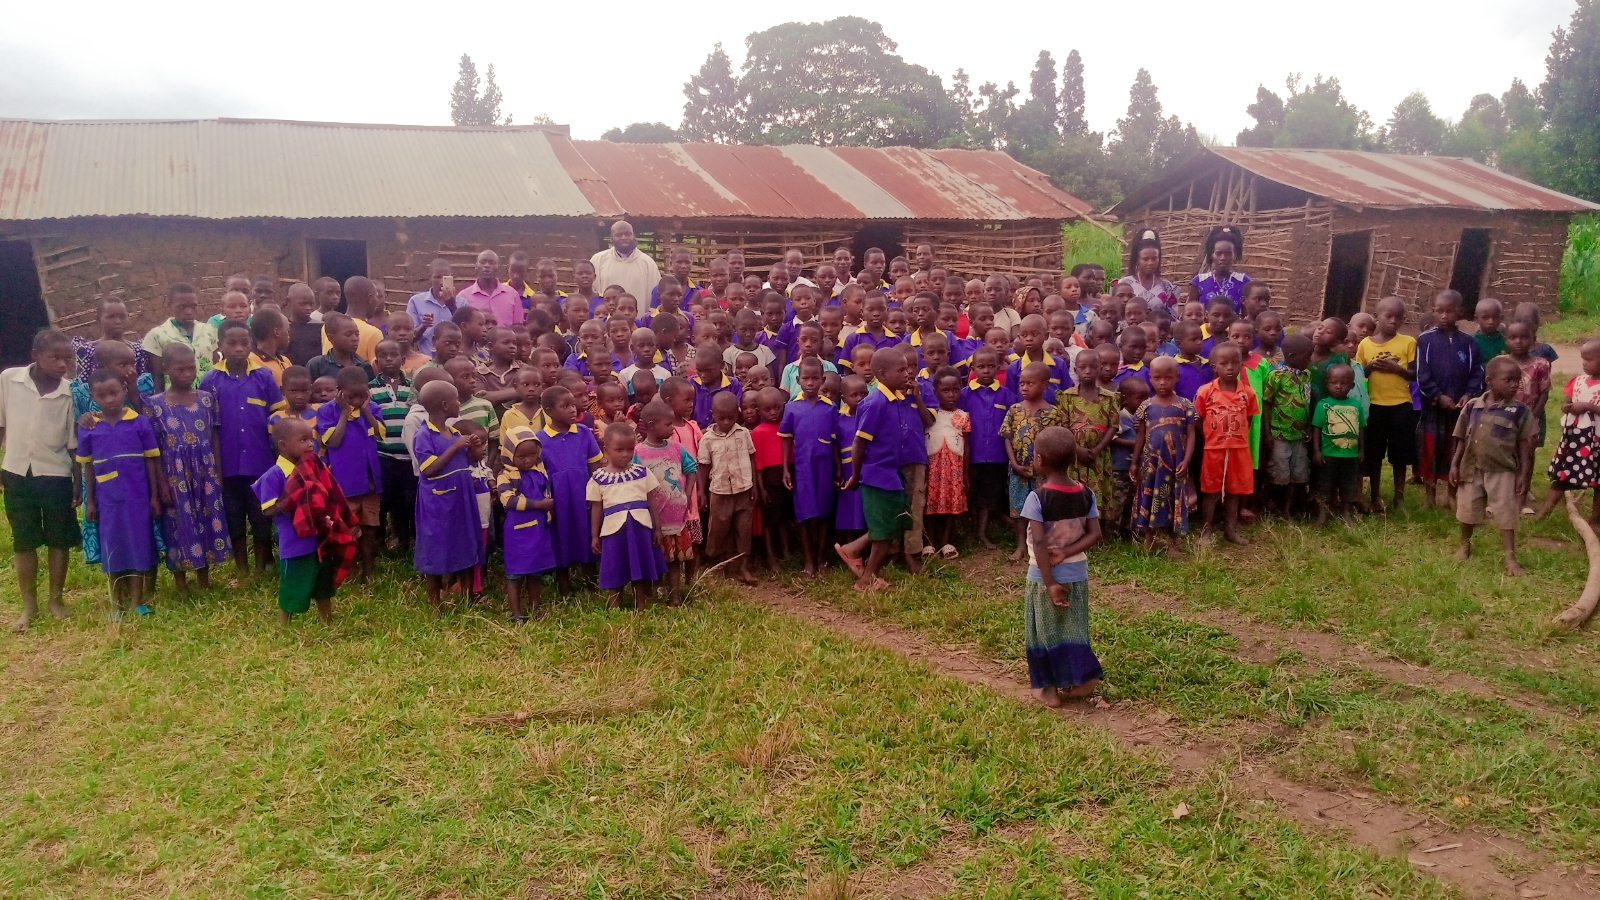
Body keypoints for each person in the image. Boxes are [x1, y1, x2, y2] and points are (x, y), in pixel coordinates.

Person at [1020, 426, 1104, 707]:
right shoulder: (1086, 493)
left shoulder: (1037, 498)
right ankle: (1082, 679)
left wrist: (1050, 584)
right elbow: (1095, 534)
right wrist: (1067, 552)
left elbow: (1039, 543)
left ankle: (1048, 689)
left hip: (1043, 577)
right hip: (1077, 573)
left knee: (1042, 631)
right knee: (1074, 628)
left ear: (1039, 460)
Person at [74, 368, 161, 615]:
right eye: (102, 395)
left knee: (138, 545)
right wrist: (91, 502)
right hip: (107, 500)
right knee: (112, 547)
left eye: (114, 393)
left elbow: (151, 461)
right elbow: (88, 466)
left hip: (138, 497)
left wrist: (154, 496)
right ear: (92, 396)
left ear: (124, 390)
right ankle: (116, 604)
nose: (109, 399)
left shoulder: (139, 422)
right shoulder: (90, 426)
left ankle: (137, 601)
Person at [201, 319, 284, 575]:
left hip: (260, 462)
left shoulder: (264, 377)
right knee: (234, 517)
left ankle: (261, 567)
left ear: (252, 344)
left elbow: (277, 417)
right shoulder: (210, 380)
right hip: (227, 464)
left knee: (261, 516)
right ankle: (242, 569)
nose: (238, 348)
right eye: (232, 343)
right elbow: (207, 426)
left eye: (244, 342)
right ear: (220, 345)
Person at [836, 347, 924, 589]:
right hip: (877, 474)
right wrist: (856, 475)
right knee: (885, 531)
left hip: (891, 473)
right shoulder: (875, 403)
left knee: (896, 521)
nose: (907, 373)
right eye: (901, 370)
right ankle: (866, 580)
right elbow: (859, 442)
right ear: (883, 374)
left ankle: (852, 549)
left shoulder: (896, 399)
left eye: (908, 368)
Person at [147, 344, 230, 598]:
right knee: (177, 523)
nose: (187, 374)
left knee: (205, 519)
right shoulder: (155, 405)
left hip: (205, 471)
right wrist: (162, 484)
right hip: (174, 474)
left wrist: (217, 472)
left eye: (191, 368)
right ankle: (181, 582)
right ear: (165, 369)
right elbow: (154, 449)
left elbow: (214, 436)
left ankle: (204, 579)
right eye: (180, 369)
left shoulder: (206, 399)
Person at [254, 417, 356, 625]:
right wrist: (295, 495)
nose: (310, 444)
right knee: (292, 585)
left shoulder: (315, 469)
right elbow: (268, 509)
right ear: (283, 445)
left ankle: (327, 621)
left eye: (311, 439)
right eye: (303, 440)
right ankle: (284, 626)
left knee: (323, 585)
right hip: (295, 544)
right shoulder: (275, 475)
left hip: (320, 539)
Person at [1451, 356, 1538, 576]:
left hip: (1502, 470)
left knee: (1506, 512)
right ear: (1489, 381)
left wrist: (1523, 473)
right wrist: (1454, 465)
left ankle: (1510, 556)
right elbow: (1460, 438)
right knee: (1467, 510)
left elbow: (1524, 445)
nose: (1514, 385)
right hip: (1471, 468)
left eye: (1517, 381)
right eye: (1508, 380)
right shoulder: (1472, 406)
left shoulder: (1519, 411)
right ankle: (1464, 545)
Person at [410, 381, 483, 612]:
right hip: (438, 502)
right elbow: (429, 469)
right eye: (456, 400)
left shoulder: (454, 433)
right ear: (444, 405)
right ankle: (434, 602)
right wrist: (455, 447)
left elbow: (469, 460)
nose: (459, 403)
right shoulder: (424, 435)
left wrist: (473, 447)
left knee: (465, 543)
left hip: (462, 498)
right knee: (436, 546)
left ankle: (468, 598)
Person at [1416, 290, 1484, 509]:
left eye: (1450, 311)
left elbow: (1477, 373)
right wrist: (1438, 396)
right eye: (1439, 311)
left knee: (1455, 450)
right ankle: (1429, 496)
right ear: (1433, 311)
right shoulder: (1425, 340)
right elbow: (1421, 374)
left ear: (1460, 312)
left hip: (1460, 410)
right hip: (1434, 407)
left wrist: (1468, 395)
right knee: (1431, 449)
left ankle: (1451, 496)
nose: (1444, 316)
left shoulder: (1469, 343)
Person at [587, 423, 666, 609]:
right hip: (614, 532)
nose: (625, 454)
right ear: (606, 450)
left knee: (640, 567)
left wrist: (658, 528)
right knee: (615, 567)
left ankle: (641, 603)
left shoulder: (641, 472)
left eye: (630, 449)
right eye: (619, 450)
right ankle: (615, 606)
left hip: (640, 529)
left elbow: (651, 501)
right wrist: (594, 536)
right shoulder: (598, 478)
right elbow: (596, 508)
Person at [316, 368, 383, 583]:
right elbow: (333, 442)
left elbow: (381, 435)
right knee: (347, 528)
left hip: (370, 482)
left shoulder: (372, 408)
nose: (356, 401)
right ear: (340, 392)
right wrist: (345, 413)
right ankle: (350, 570)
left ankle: (369, 570)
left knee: (370, 528)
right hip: (344, 484)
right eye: (350, 396)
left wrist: (366, 411)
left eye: (361, 395)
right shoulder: (327, 411)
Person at [1355, 297, 1418, 512]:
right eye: (1388, 316)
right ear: (1377, 317)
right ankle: (1375, 496)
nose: (1393, 321)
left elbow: (1414, 374)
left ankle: (1399, 497)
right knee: (1374, 454)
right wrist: (1370, 367)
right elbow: (1358, 373)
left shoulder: (1408, 342)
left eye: (1398, 317)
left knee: (1400, 455)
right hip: (1374, 406)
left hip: (1401, 405)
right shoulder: (1365, 344)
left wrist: (1396, 369)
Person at [1129, 356, 1196, 556]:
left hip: (1176, 463)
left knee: (1174, 498)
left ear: (1177, 378)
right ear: (1150, 378)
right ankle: (1149, 540)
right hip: (1151, 464)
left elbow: (1191, 434)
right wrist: (1134, 462)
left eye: (1168, 378)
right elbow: (1140, 435)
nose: (1162, 383)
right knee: (1150, 497)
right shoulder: (1146, 406)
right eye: (1157, 378)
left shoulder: (1185, 405)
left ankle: (1173, 543)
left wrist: (1186, 460)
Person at [538, 385, 602, 591]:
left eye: (573, 405)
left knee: (586, 532)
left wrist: (597, 495)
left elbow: (594, 466)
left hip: (583, 493)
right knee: (559, 536)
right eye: (565, 406)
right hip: (558, 498)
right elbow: (539, 474)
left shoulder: (583, 433)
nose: (573, 409)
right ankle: (563, 584)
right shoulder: (539, 439)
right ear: (549, 411)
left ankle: (591, 581)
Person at [1001, 362, 1067, 561]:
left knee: (1044, 507)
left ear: (1045, 385)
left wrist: (1048, 466)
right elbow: (1007, 438)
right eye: (1022, 383)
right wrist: (1014, 464)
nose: (1024, 388)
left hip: (1045, 472)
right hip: (1019, 470)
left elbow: (1057, 441)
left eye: (1030, 383)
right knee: (1020, 509)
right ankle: (1021, 545)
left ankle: (1045, 544)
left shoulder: (1053, 413)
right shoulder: (1014, 410)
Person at [1194, 343, 1257, 544]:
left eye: (1234, 363)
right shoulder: (1206, 392)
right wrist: (1210, 437)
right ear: (1214, 366)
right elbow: (1198, 419)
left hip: (1239, 450)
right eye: (1224, 363)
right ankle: (1205, 531)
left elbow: (1249, 419)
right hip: (1213, 450)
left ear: (1241, 364)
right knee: (1211, 492)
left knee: (1234, 492)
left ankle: (1230, 530)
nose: (1230, 367)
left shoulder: (1248, 393)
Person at [781, 359, 838, 575]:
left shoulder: (830, 408)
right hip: (802, 469)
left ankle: (821, 557)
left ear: (822, 380)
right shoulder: (791, 408)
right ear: (798, 380)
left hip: (824, 468)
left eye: (815, 378)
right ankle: (808, 561)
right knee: (804, 513)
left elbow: (834, 440)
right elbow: (786, 439)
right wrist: (785, 469)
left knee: (823, 512)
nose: (810, 383)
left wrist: (838, 469)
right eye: (806, 378)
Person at [1536, 338, 1600, 525]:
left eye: (1589, 359)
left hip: (1597, 441)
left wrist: (1588, 406)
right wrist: (1568, 407)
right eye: (1583, 359)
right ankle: (1543, 513)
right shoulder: (1578, 381)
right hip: (1576, 440)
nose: (1584, 363)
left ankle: (1595, 521)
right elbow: (1565, 404)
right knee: (1563, 475)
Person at [699, 390, 758, 586]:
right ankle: (717, 565)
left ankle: (743, 568)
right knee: (718, 529)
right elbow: (704, 466)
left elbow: (751, 458)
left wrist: (754, 486)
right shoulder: (707, 439)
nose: (726, 422)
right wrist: (702, 492)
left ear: (737, 413)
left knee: (744, 529)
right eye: (721, 417)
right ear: (713, 414)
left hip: (744, 489)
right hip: (720, 491)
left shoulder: (744, 433)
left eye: (731, 417)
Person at [497, 427, 556, 621]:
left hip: (538, 530)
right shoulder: (506, 476)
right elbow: (509, 500)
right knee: (515, 575)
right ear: (509, 455)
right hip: (518, 534)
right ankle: (516, 613)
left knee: (535, 572)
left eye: (532, 454)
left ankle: (535, 608)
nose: (528, 460)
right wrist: (539, 505)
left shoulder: (539, 471)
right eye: (521, 456)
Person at [1057, 350, 1120, 513]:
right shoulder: (1067, 396)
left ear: (1099, 369)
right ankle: (1076, 523)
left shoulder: (1110, 397)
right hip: (1074, 454)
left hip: (1099, 454)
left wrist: (1097, 449)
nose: (1087, 371)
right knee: (1074, 490)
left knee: (1098, 489)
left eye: (1093, 367)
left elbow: (1113, 426)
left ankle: (1098, 523)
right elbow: (1063, 426)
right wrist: (1077, 449)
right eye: (1082, 367)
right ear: (1075, 369)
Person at [369, 341, 416, 555]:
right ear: (376, 362)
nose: (389, 359)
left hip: (408, 456)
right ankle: (379, 541)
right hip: (383, 454)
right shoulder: (370, 388)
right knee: (384, 499)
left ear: (402, 360)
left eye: (394, 355)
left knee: (407, 500)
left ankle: (406, 539)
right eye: (383, 356)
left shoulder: (413, 387)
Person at [1260, 334, 1314, 517]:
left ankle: (1288, 509)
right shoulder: (1276, 376)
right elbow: (1267, 403)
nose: (1310, 360)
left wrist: (1308, 427)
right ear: (1291, 356)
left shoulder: (1307, 376)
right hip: (1279, 435)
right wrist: (1267, 433)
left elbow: (1307, 402)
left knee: (1297, 473)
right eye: (1307, 356)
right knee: (1279, 473)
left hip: (1299, 436)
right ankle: (1273, 504)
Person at [922, 367, 970, 560]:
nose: (951, 395)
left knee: (951, 504)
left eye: (956, 390)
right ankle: (929, 542)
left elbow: (967, 446)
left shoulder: (963, 416)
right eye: (945, 390)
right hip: (932, 467)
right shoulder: (930, 414)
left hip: (954, 469)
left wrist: (966, 473)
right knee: (929, 504)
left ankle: (946, 541)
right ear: (935, 392)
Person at [1504, 321, 1551, 513]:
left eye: (1524, 337)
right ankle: (1503, 496)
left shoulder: (1541, 364)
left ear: (1533, 340)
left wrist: (1534, 416)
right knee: (1505, 455)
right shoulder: (1502, 363)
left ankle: (1521, 499)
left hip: (1530, 418)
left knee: (1527, 457)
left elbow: (1544, 392)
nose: (1518, 341)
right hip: (1505, 418)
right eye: (1513, 337)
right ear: (1506, 340)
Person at [1311, 363, 1365, 527]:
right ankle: (1322, 513)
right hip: (1328, 455)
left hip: (1350, 455)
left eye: (1344, 383)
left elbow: (1361, 429)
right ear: (1327, 383)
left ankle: (1347, 512)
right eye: (1333, 382)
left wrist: (1362, 450)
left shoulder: (1356, 405)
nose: (1338, 386)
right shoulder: (1323, 405)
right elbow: (1316, 428)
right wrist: (1316, 450)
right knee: (1324, 485)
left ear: (1352, 385)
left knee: (1348, 485)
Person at [143, 283, 218, 388]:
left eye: (193, 306)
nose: (188, 312)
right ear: (170, 305)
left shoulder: (210, 330)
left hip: (208, 393)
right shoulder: (157, 335)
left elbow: (216, 366)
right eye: (181, 307)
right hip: (175, 395)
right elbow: (158, 376)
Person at [73, 297, 153, 383]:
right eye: (111, 317)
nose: (118, 321)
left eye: (122, 317)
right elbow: (83, 385)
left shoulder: (138, 350)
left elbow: (144, 383)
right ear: (98, 319)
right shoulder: (87, 351)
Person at [1109, 376, 1148, 539]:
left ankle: (1128, 531)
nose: (1144, 403)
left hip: (1135, 467)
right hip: (1119, 468)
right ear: (1125, 399)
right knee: (1118, 501)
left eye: (1146, 399)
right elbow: (1112, 438)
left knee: (1132, 500)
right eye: (1140, 399)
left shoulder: (1143, 419)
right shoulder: (1121, 416)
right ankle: (1112, 532)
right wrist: (1134, 443)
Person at [590, 221, 662, 305]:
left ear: (634, 236)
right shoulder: (598, 260)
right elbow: (592, 292)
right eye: (619, 235)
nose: (624, 238)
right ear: (611, 238)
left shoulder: (648, 263)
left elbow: (655, 295)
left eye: (628, 234)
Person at [1119, 228, 1180, 320]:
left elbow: (1173, 319)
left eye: (1154, 258)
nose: (1150, 263)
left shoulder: (1167, 287)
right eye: (1145, 259)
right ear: (1137, 259)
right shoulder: (1124, 284)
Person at [320, 276, 385, 362]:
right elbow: (376, 367)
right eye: (376, 296)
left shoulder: (328, 327)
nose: (377, 301)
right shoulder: (373, 333)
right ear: (370, 298)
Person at [1190, 226, 1250, 314]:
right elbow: (1191, 314)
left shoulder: (1243, 281)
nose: (1223, 258)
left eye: (1228, 254)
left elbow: (1247, 316)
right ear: (1212, 255)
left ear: (1235, 255)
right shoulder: (1199, 281)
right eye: (1218, 253)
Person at [456, 249, 523, 327]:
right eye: (482, 262)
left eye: (492, 262)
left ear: (498, 267)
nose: (487, 265)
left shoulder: (512, 294)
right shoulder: (463, 297)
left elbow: (518, 327)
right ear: (476, 266)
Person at [406, 258, 460, 355]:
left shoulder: (461, 302)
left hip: (455, 361)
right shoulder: (416, 301)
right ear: (429, 278)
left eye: (445, 278)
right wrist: (423, 326)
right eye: (437, 277)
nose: (441, 282)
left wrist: (452, 307)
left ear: (452, 277)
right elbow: (409, 339)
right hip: (427, 360)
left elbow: (467, 334)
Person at [308, 314, 376, 383]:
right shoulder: (317, 365)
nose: (355, 338)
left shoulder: (364, 365)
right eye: (348, 335)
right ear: (331, 338)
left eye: (357, 334)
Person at [283, 282, 326, 367]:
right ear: (289, 301)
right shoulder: (284, 329)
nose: (308, 308)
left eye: (311, 304)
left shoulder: (320, 328)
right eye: (303, 304)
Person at [1472, 297, 1507, 362]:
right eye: (1485, 317)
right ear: (1476, 319)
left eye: (1495, 317)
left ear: (1501, 318)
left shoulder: (1506, 341)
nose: (1491, 321)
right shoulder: (1472, 343)